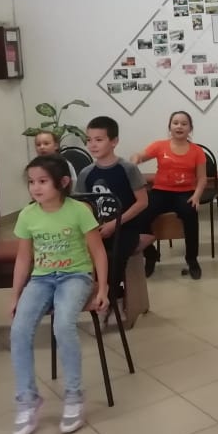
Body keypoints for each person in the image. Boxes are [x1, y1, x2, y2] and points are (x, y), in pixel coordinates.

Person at [9, 155, 109, 434]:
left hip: (75, 276)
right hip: (41, 278)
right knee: (19, 331)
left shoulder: (79, 211)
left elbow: (98, 251)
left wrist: (103, 288)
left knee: (63, 325)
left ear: (63, 182)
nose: (35, 188)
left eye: (42, 181)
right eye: (31, 182)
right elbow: (23, 258)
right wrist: (15, 295)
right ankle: (27, 399)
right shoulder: (27, 215)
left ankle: (74, 396)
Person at [76, 116, 148, 315]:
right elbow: (81, 206)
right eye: (89, 140)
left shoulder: (128, 169)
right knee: (84, 256)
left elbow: (142, 202)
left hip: (126, 229)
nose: (92, 145)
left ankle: (111, 295)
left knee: (113, 257)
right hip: (97, 230)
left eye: (99, 140)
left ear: (114, 141)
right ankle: (93, 294)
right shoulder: (86, 173)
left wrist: (114, 224)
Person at [131, 111, 207, 279]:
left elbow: (202, 178)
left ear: (190, 128)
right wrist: (135, 160)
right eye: (175, 123)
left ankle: (192, 259)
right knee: (141, 215)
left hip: (185, 193)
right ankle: (151, 255)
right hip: (161, 191)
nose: (179, 126)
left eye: (184, 124)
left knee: (191, 214)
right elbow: (139, 155)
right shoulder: (159, 146)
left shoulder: (197, 151)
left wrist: (196, 196)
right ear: (170, 127)